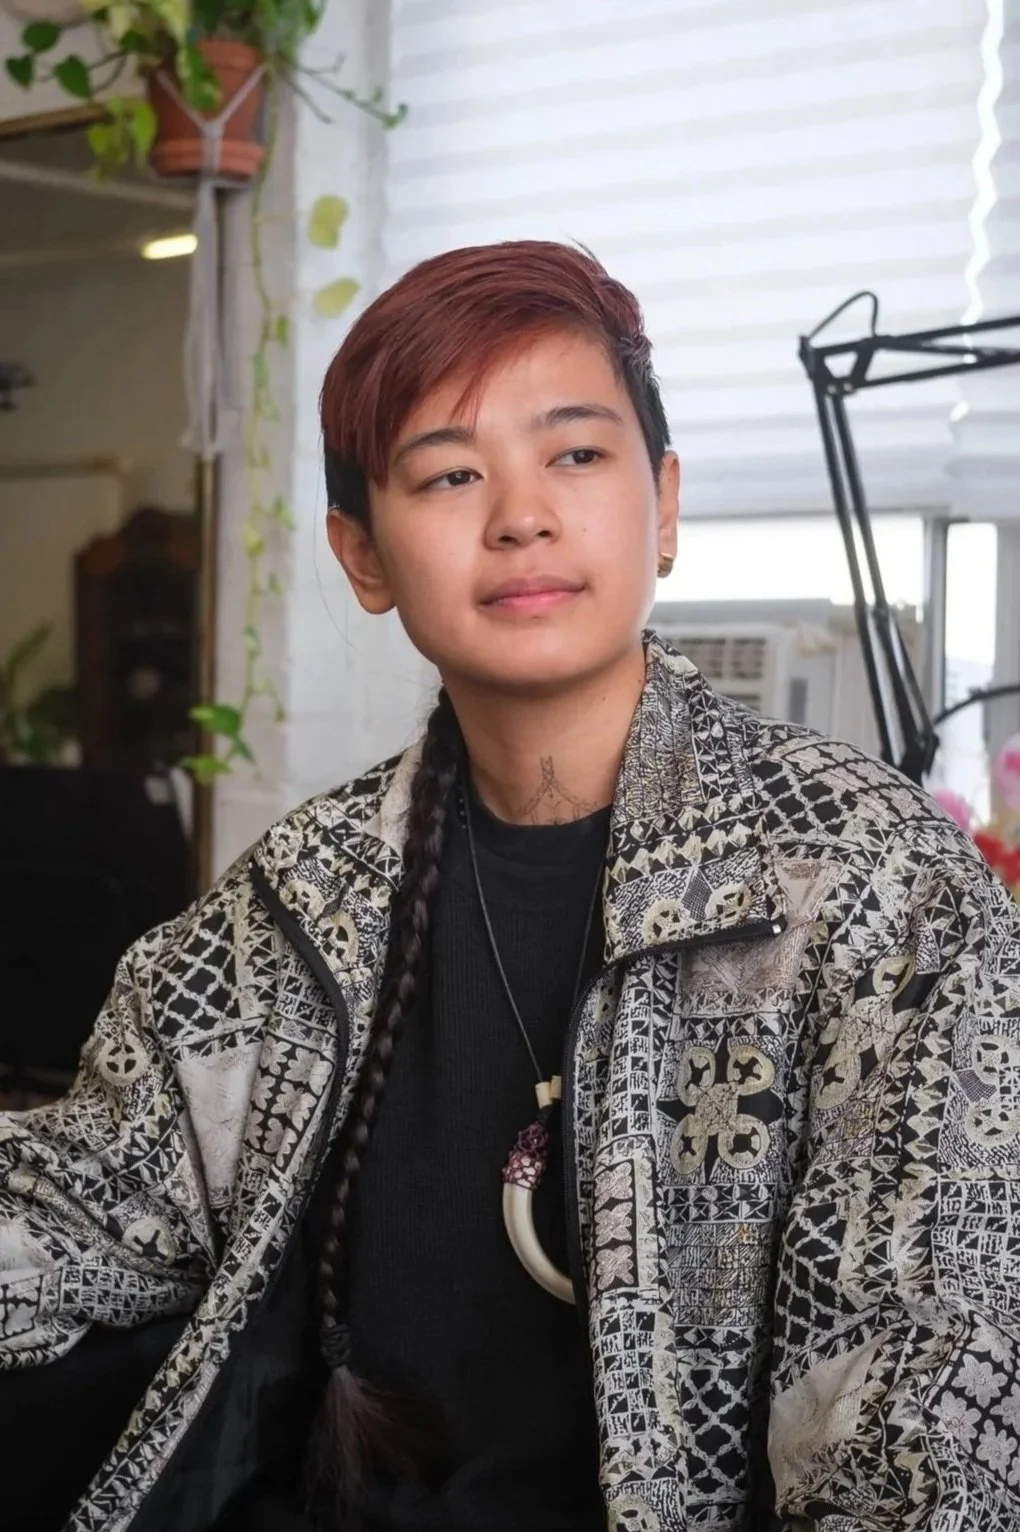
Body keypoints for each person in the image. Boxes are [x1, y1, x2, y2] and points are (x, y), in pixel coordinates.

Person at [3, 241, 1020, 1532]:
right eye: (448, 473)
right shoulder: (294, 908)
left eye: (577, 455)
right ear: (362, 556)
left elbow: (930, 1431)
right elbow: (70, 1211)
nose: (521, 514)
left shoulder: (877, 892)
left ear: (663, 504)